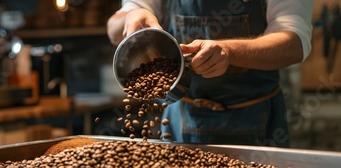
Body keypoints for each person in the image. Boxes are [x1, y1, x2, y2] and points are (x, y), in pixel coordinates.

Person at [107, 0, 313, 147]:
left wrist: (230, 53)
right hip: (178, 117)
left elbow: (296, 42)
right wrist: (132, 14)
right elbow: (113, 27)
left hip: (254, 120)